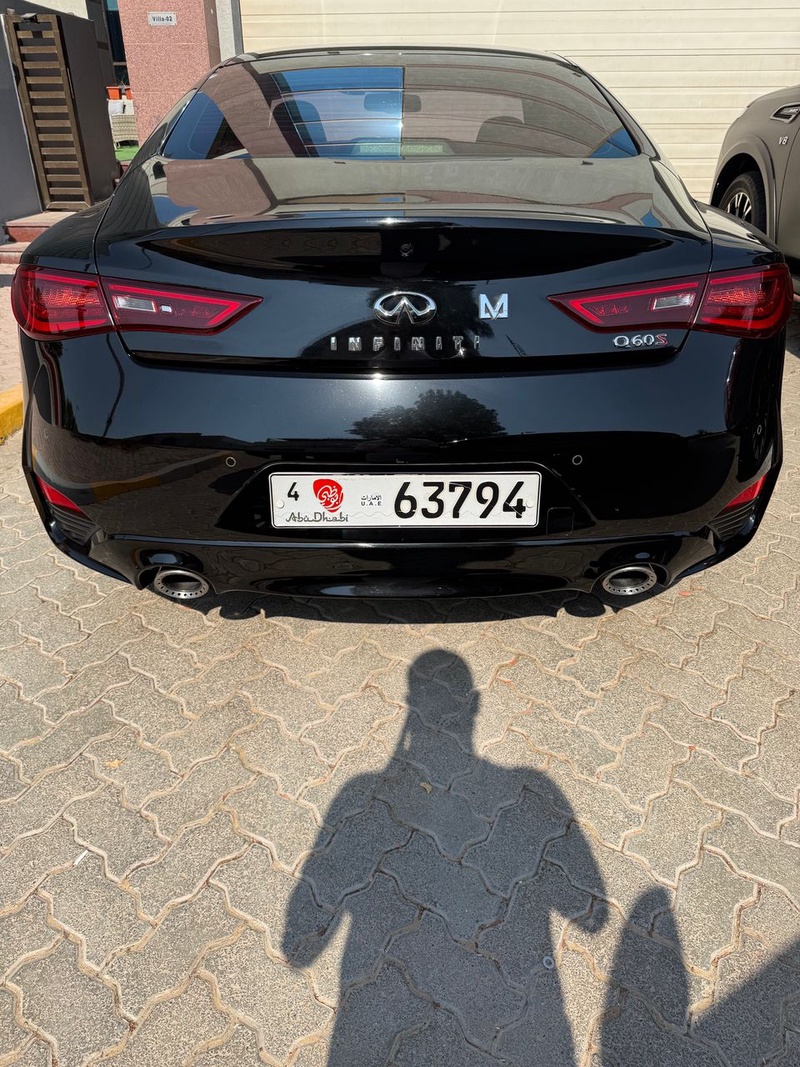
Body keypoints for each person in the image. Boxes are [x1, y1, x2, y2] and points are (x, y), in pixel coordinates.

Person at [284, 650, 607, 1065]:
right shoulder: (532, 784)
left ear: (409, 706)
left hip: (366, 1011)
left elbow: (298, 949)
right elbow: (593, 919)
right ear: (474, 705)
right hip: (524, 1018)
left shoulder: (359, 789)